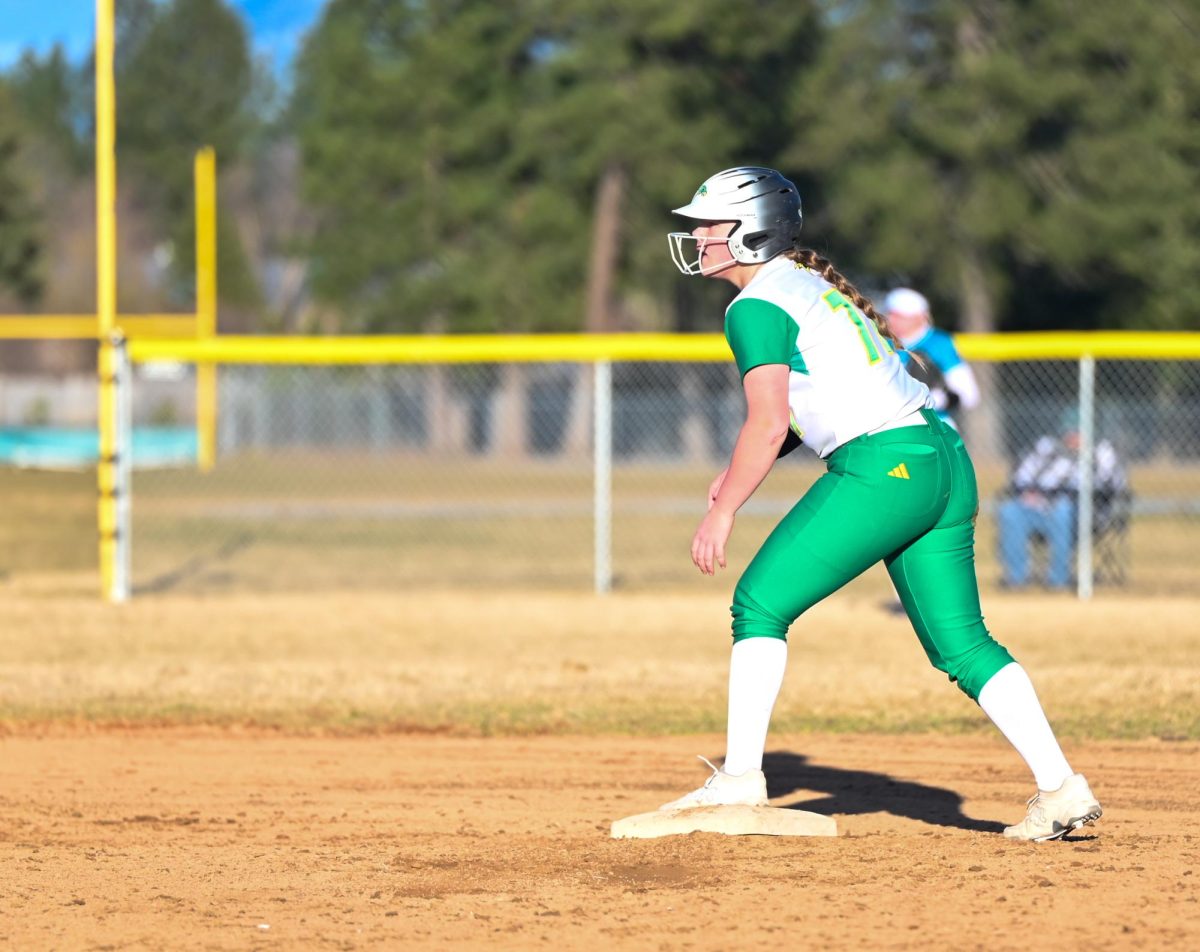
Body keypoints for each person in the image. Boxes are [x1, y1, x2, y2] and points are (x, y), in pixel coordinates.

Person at [660, 166, 1101, 841]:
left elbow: (770, 421)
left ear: (750, 233)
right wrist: (734, 477)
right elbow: (823, 402)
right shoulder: (804, 284)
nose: (698, 236)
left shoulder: (753, 305)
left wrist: (724, 510)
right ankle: (1061, 788)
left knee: (759, 603)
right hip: (942, 459)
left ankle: (741, 780)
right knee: (963, 644)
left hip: (887, 467)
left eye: (710, 225)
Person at [998, 411, 1127, 589]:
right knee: (1009, 511)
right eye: (1070, 432)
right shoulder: (1048, 450)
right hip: (1037, 506)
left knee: (1062, 509)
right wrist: (1029, 492)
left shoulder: (1102, 453)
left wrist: (1067, 492)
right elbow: (1021, 477)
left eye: (1079, 432)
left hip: (1082, 512)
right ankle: (1016, 577)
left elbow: (1114, 485)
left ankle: (1058, 578)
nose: (1073, 437)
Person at [883, 287, 981, 431]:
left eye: (899, 316)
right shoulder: (883, 344)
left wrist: (934, 398)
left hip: (935, 427)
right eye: (890, 314)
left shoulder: (939, 343)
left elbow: (969, 395)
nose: (891, 320)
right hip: (894, 429)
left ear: (919, 317)